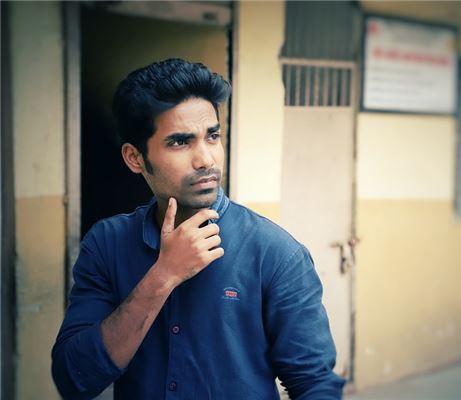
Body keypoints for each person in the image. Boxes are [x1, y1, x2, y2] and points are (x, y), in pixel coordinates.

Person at [51, 58, 344, 399]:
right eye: (180, 142)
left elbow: (314, 384)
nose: (206, 159)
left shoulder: (276, 253)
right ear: (135, 158)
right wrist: (163, 276)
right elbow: (75, 379)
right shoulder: (107, 244)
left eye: (212, 136)